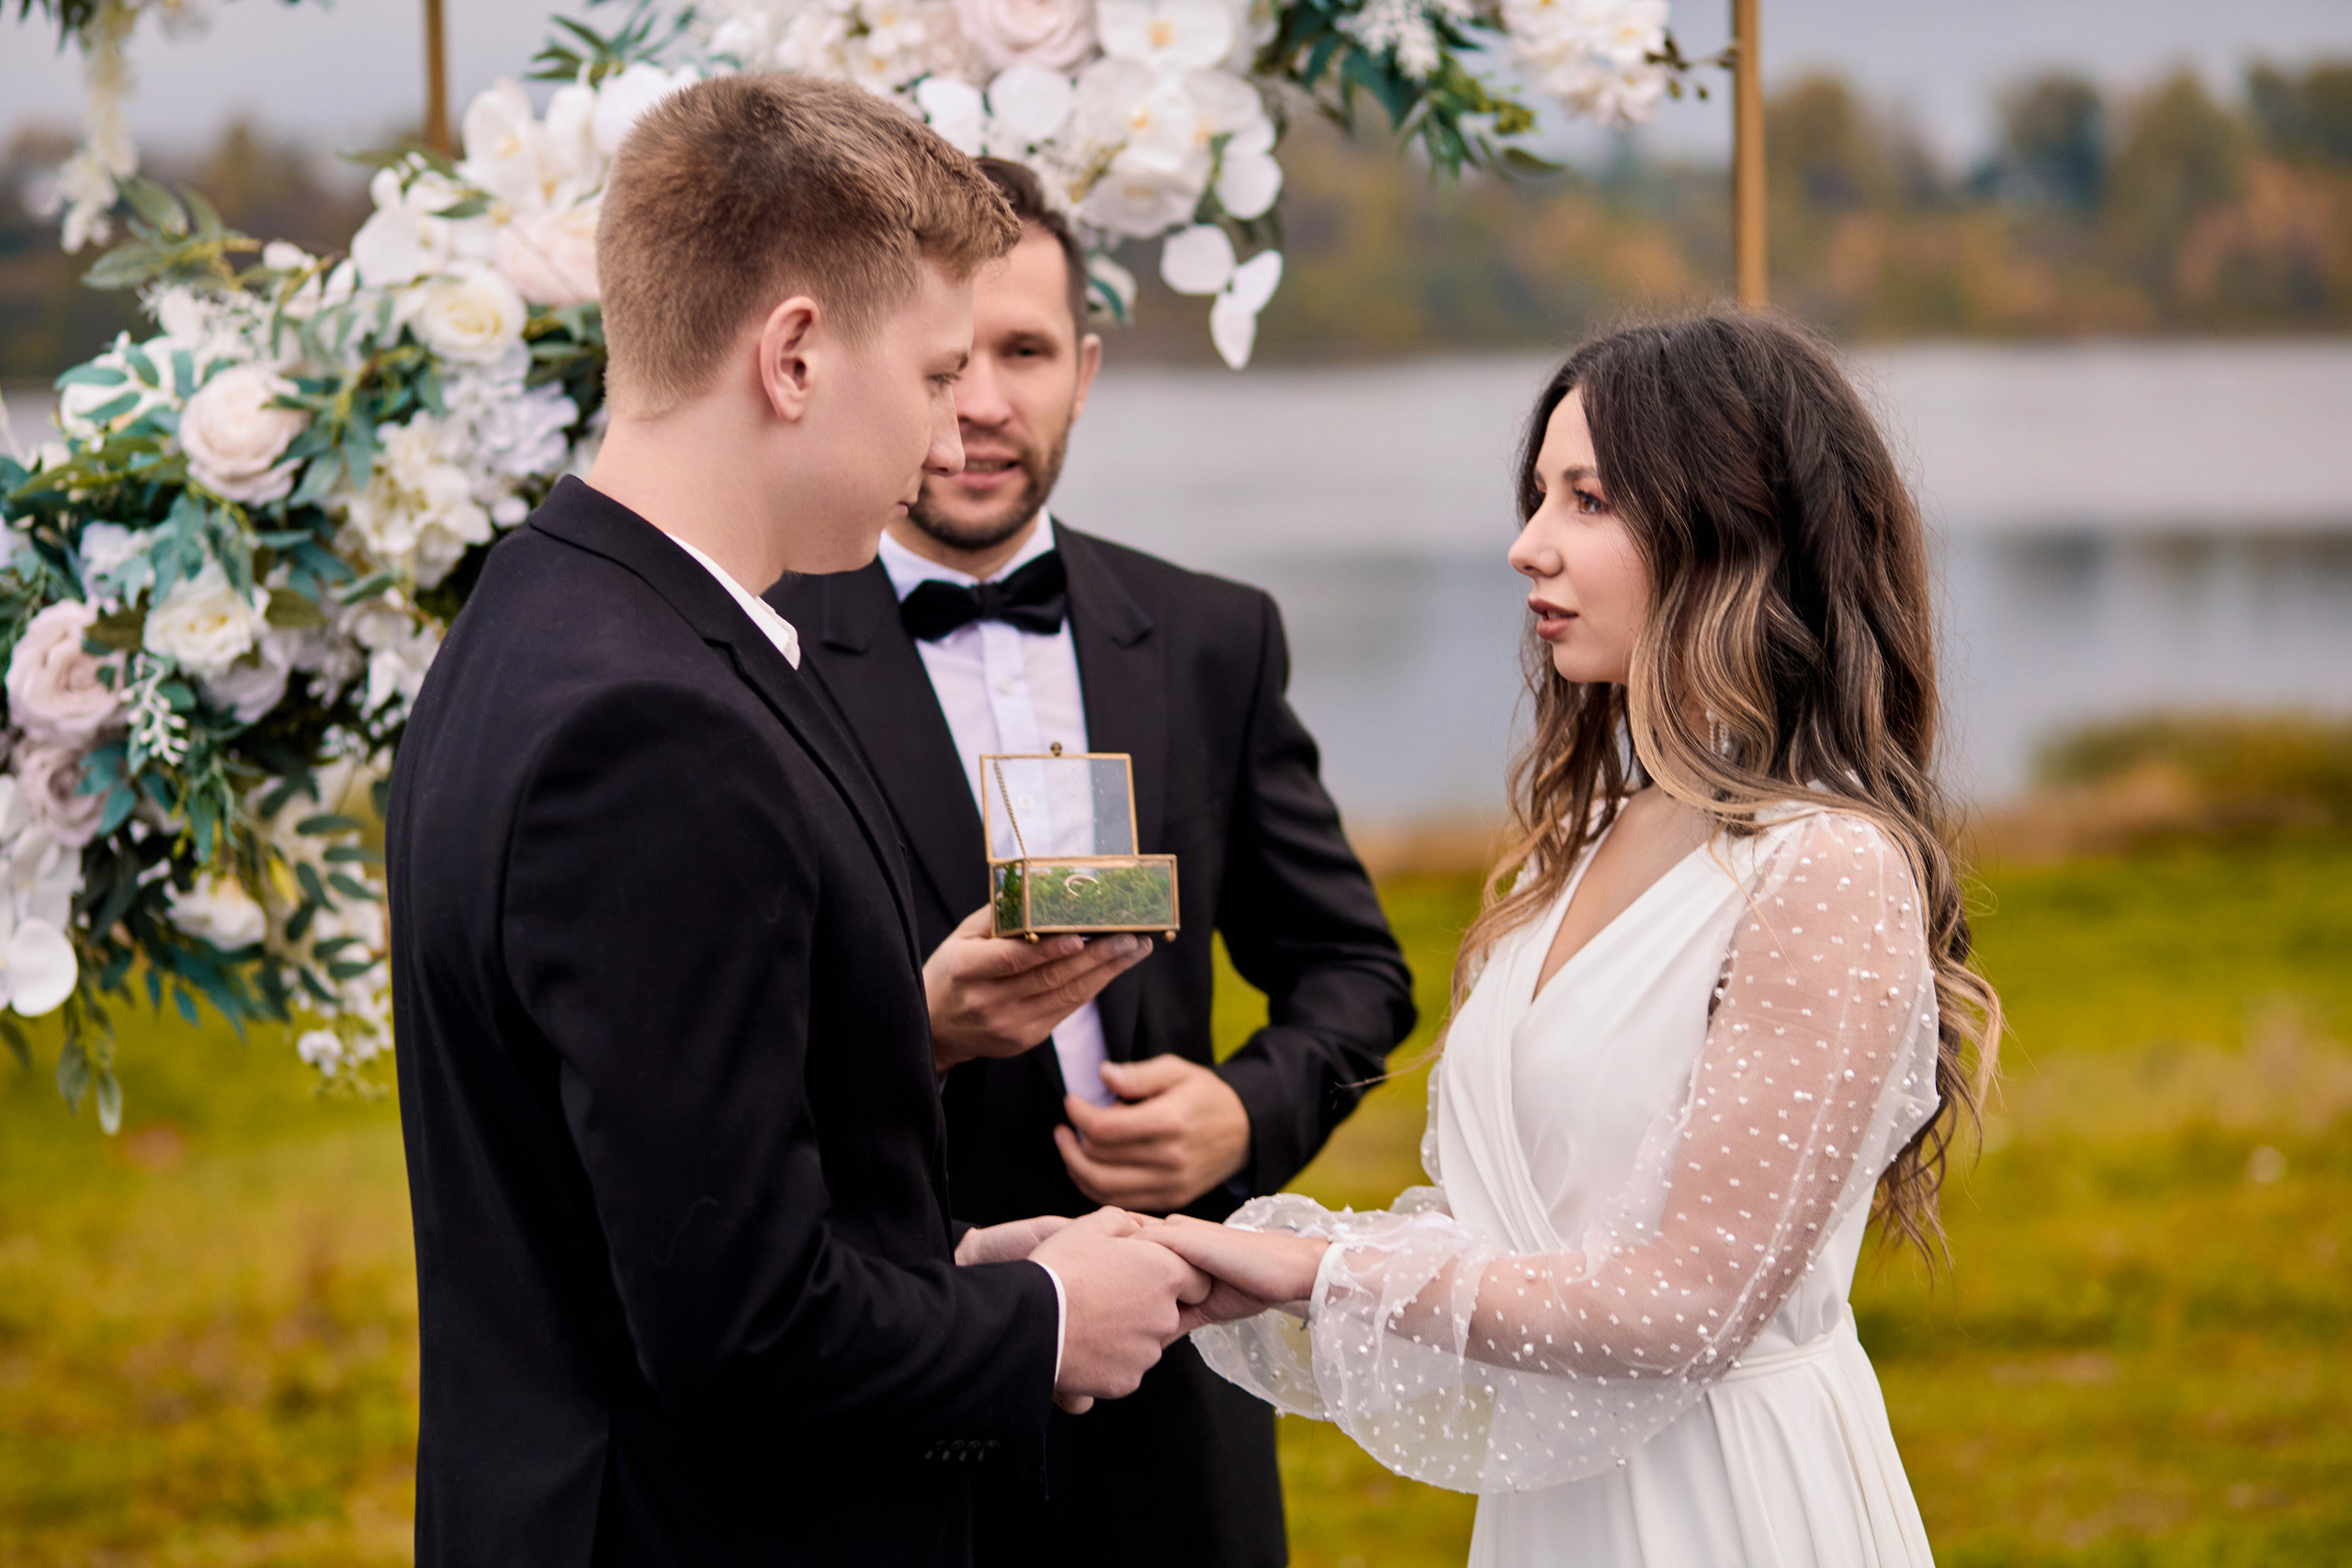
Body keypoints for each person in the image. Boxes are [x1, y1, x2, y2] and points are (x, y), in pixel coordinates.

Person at [387, 77, 1222, 1567]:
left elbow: (646, 1192)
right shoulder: (650, 731)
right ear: (793, 355)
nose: (953, 425)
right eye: (930, 370)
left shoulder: (545, 610)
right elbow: (744, 1333)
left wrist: (950, 1247)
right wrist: (1039, 1322)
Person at [1157, 310, 2005, 1567]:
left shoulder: (1825, 871)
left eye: (1588, 500)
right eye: (1538, 495)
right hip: (1567, 1506)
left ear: (1731, 531)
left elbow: (1683, 1305)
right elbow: (1517, 1241)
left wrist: (1304, 1275)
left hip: (1726, 1504)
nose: (1526, 545)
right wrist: (1249, 1250)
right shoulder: (1594, 834)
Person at [765, 158, 1417, 1567]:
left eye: (1028, 352)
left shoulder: (1209, 637)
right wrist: (912, 1036)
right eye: (952, 362)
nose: (985, 405)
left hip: (1175, 1369)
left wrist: (1245, 1118)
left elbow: (1354, 972)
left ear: (1088, 368)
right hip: (894, 1352)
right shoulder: (763, 656)